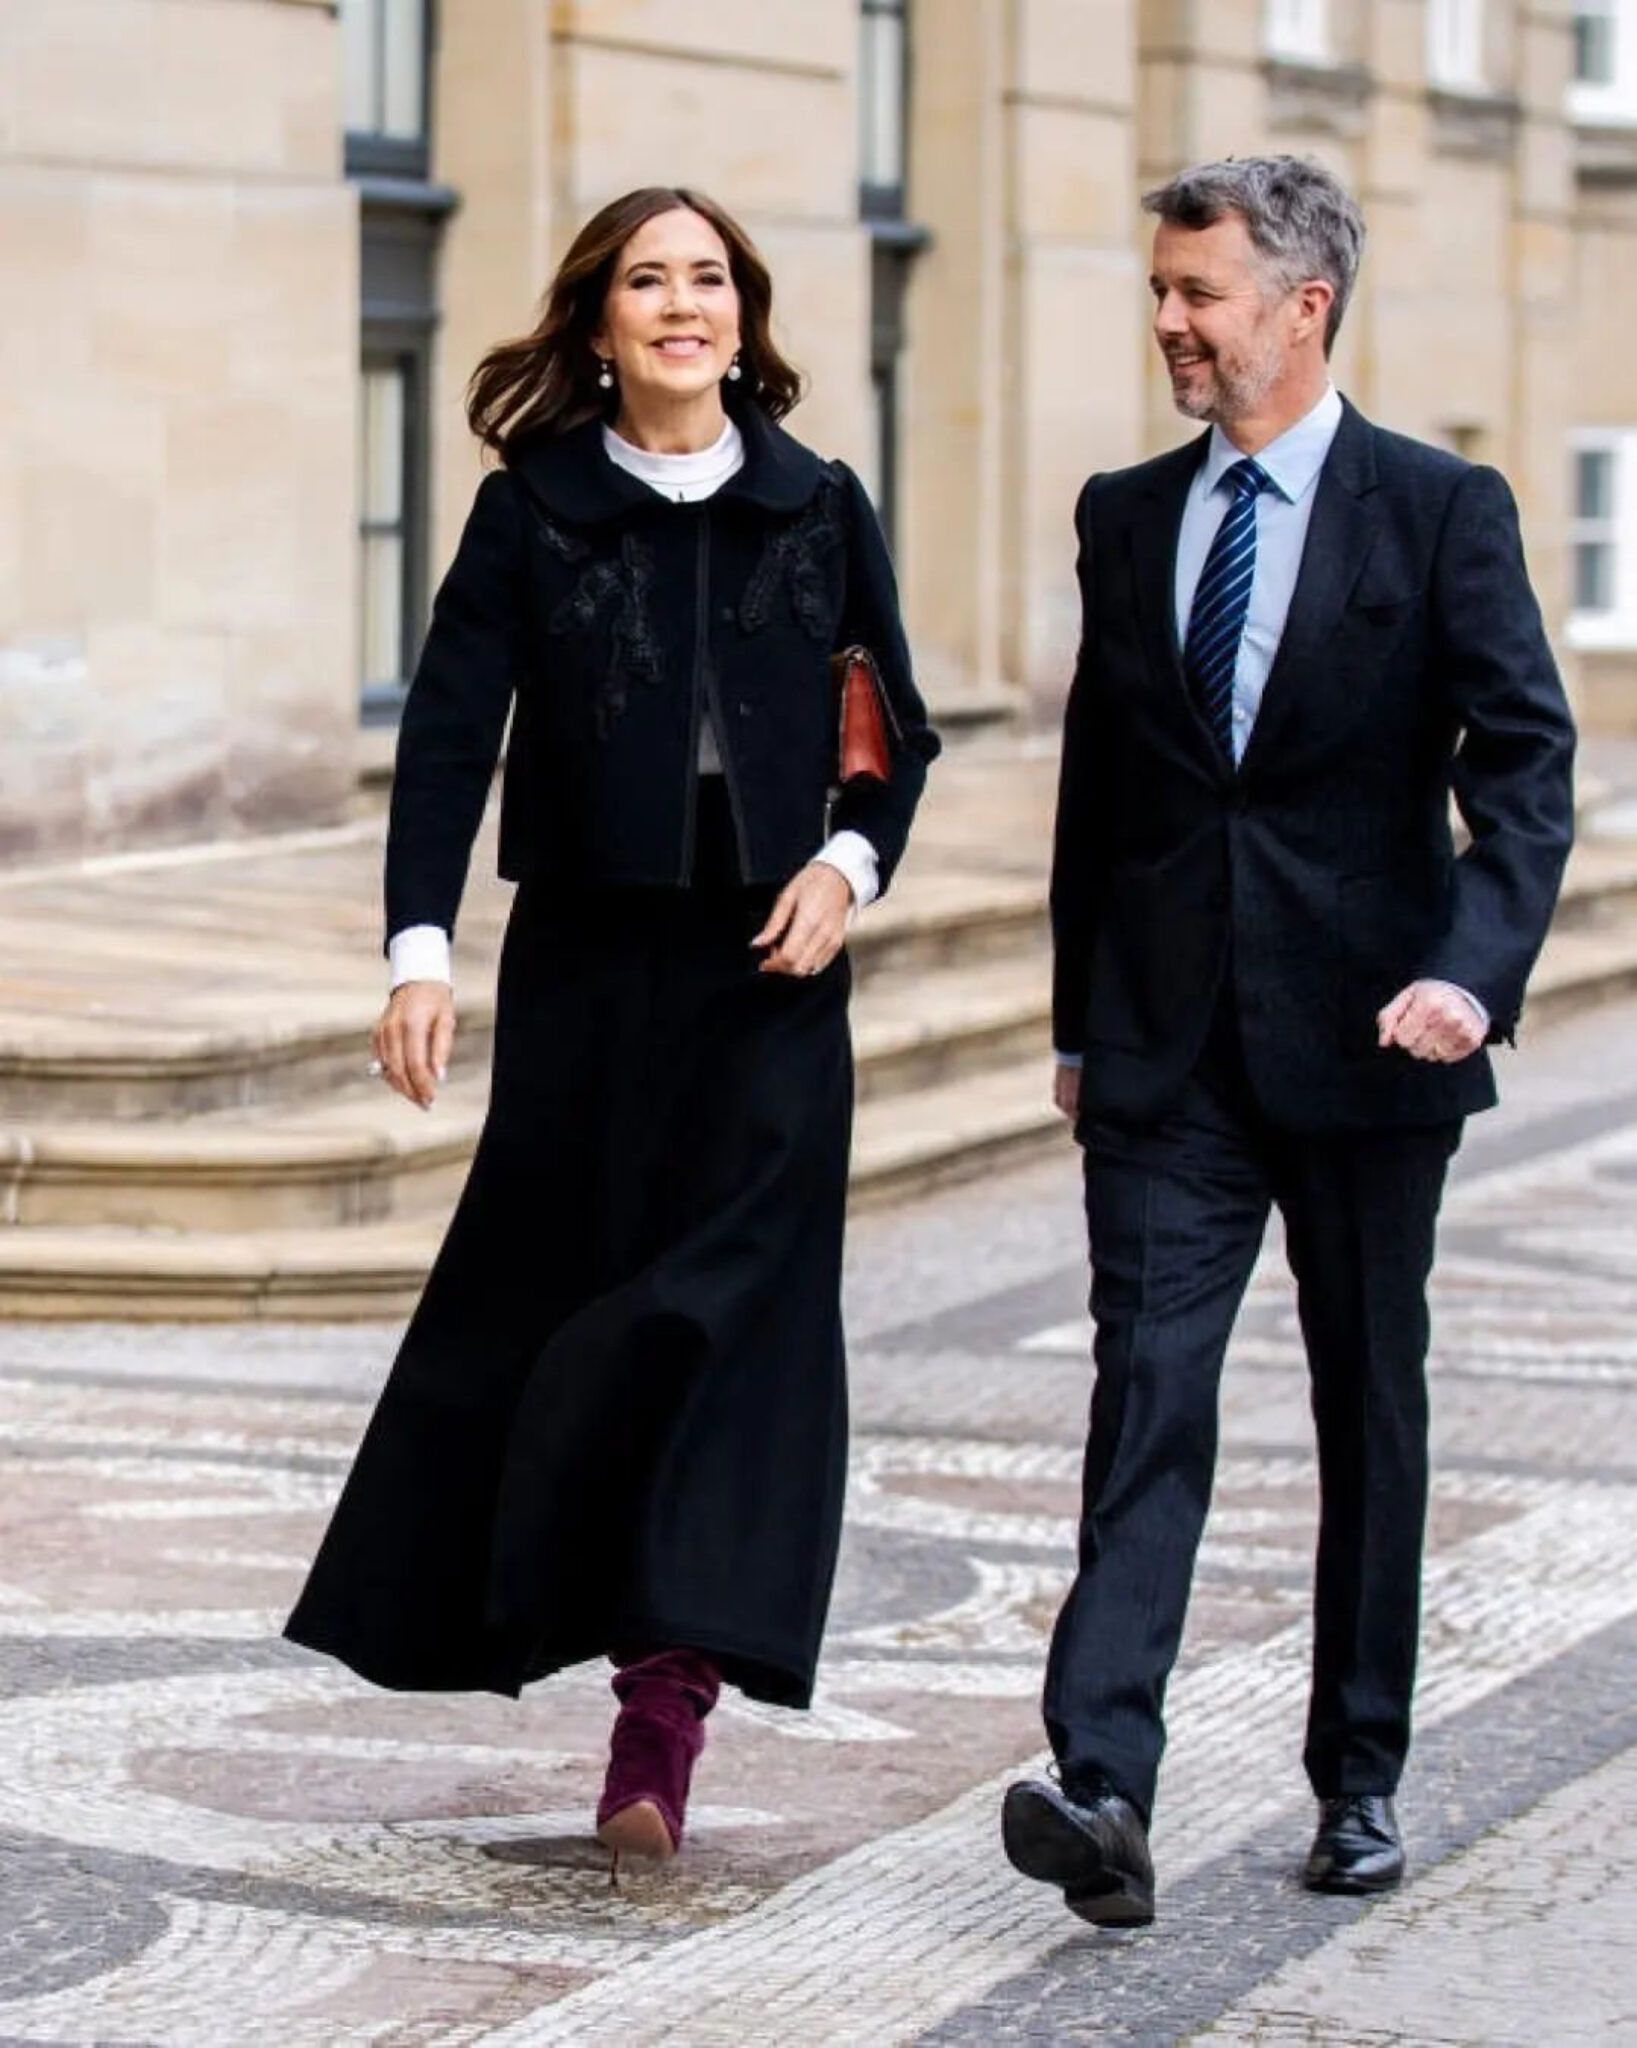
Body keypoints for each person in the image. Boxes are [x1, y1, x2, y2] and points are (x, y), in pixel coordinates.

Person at [285, 186, 939, 1871]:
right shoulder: (532, 515)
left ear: (744, 315)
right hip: (584, 978)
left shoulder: (820, 506)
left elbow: (889, 735)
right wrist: (418, 953)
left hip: (773, 981)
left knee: (734, 1321)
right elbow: (443, 743)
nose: (682, 304)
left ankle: (665, 1699)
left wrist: (845, 865)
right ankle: (574, 1599)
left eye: (708, 278)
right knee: (578, 1314)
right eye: (648, 280)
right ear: (597, 323)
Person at [1002, 155, 1575, 1927]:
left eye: (1199, 295)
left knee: (1366, 1412)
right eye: (1160, 292)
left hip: (1368, 1049)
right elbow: (1102, 791)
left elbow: (1526, 773)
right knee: (1145, 1397)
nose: (1167, 322)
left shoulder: (1438, 508)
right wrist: (1080, 1021)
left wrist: (1468, 975)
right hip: (1164, 1057)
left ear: (1301, 306)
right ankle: (1102, 1780)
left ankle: (1361, 1775)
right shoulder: (1121, 511)